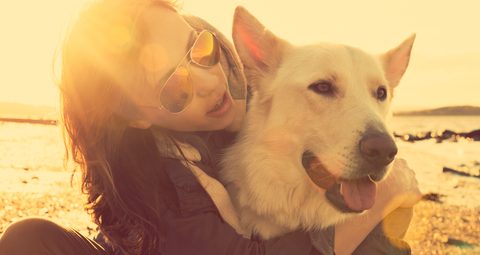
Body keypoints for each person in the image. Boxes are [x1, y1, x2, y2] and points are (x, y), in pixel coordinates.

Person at [0, 0, 420, 254]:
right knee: (27, 239)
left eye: (197, 47)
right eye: (173, 87)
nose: (208, 79)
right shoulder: (159, 178)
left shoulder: (262, 81)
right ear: (136, 117)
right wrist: (384, 194)